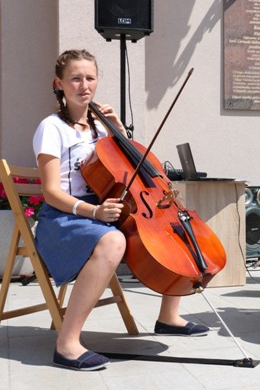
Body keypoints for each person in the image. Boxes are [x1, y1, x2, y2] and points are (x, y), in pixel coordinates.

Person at [33, 49, 210, 371]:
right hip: (64, 218)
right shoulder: (52, 127)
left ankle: (169, 317)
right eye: (75, 78)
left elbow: (130, 167)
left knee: (176, 230)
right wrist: (94, 212)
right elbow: (50, 192)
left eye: (90, 78)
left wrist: (118, 130)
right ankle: (67, 343)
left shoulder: (102, 129)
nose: (83, 85)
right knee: (114, 241)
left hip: (105, 213)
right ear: (59, 84)